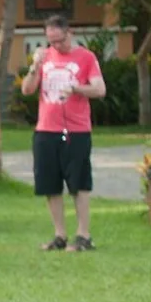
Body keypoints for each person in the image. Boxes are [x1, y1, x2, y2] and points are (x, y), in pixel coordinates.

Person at [21, 15, 104, 252]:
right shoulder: (45, 57)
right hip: (46, 129)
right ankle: (59, 235)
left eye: (59, 40)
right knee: (50, 184)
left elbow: (100, 89)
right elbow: (27, 90)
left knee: (79, 182)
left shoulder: (86, 57)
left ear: (70, 33)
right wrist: (35, 66)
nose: (56, 46)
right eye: (51, 41)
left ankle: (83, 235)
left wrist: (77, 88)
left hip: (76, 130)